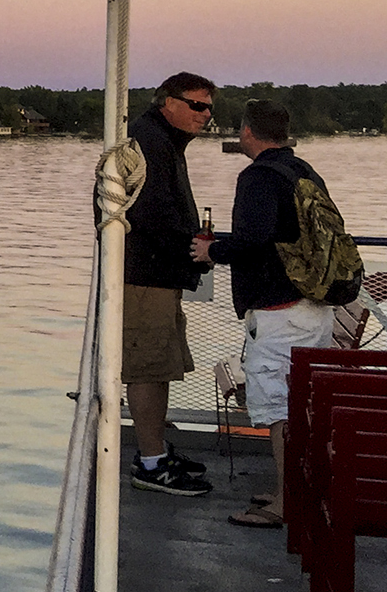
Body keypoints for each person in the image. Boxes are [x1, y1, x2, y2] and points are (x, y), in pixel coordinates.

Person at [192, 99, 336, 528]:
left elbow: (253, 239)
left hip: (281, 314)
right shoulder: (303, 170)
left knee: (279, 409)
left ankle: (285, 505)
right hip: (314, 308)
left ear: (248, 132)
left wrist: (212, 249)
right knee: (299, 407)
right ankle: (289, 489)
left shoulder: (257, 177)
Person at [121, 72, 217, 495]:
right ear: (168, 103)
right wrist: (189, 248)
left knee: (159, 366)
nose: (206, 115)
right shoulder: (148, 141)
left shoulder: (162, 141)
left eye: (210, 107)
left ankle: (155, 449)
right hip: (144, 276)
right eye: (197, 106)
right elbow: (149, 212)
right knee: (146, 367)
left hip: (159, 274)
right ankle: (150, 463)